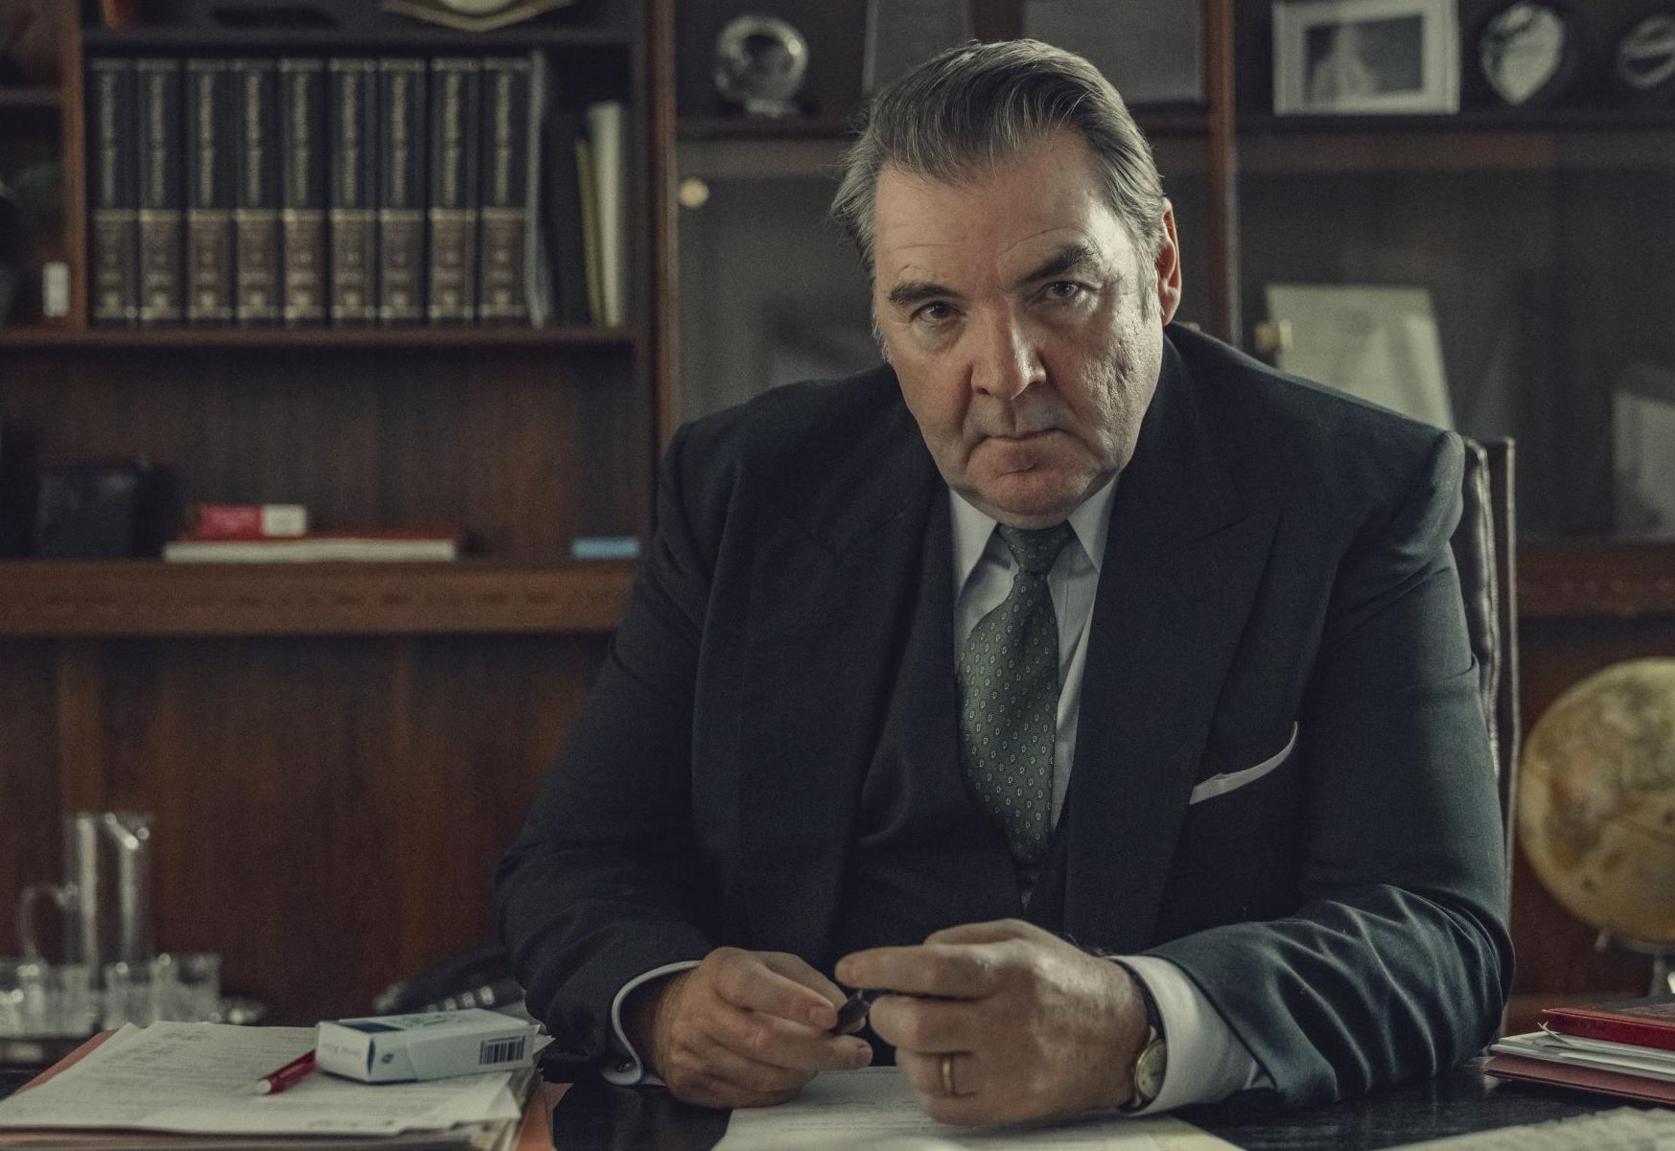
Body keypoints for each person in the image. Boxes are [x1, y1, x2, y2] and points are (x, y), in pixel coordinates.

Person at [495, 39, 1509, 1127]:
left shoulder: (1355, 492)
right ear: (882, 320)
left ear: (1160, 268)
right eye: (935, 311)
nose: (1005, 372)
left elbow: (1434, 935)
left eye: (1060, 289)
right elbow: (577, 858)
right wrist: (659, 1000)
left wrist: (1138, 1020)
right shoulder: (742, 488)